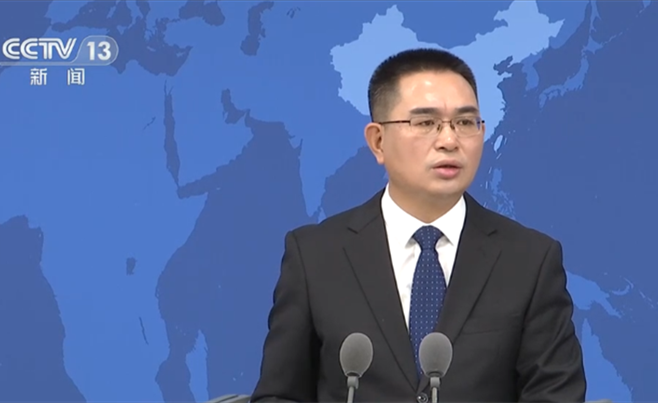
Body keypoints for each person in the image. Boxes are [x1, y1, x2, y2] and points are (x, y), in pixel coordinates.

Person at [251, 48, 587, 403]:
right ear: (378, 141)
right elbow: (279, 396)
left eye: (465, 122)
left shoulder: (530, 260)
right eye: (426, 123)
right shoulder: (316, 256)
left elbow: (555, 396)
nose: (449, 141)